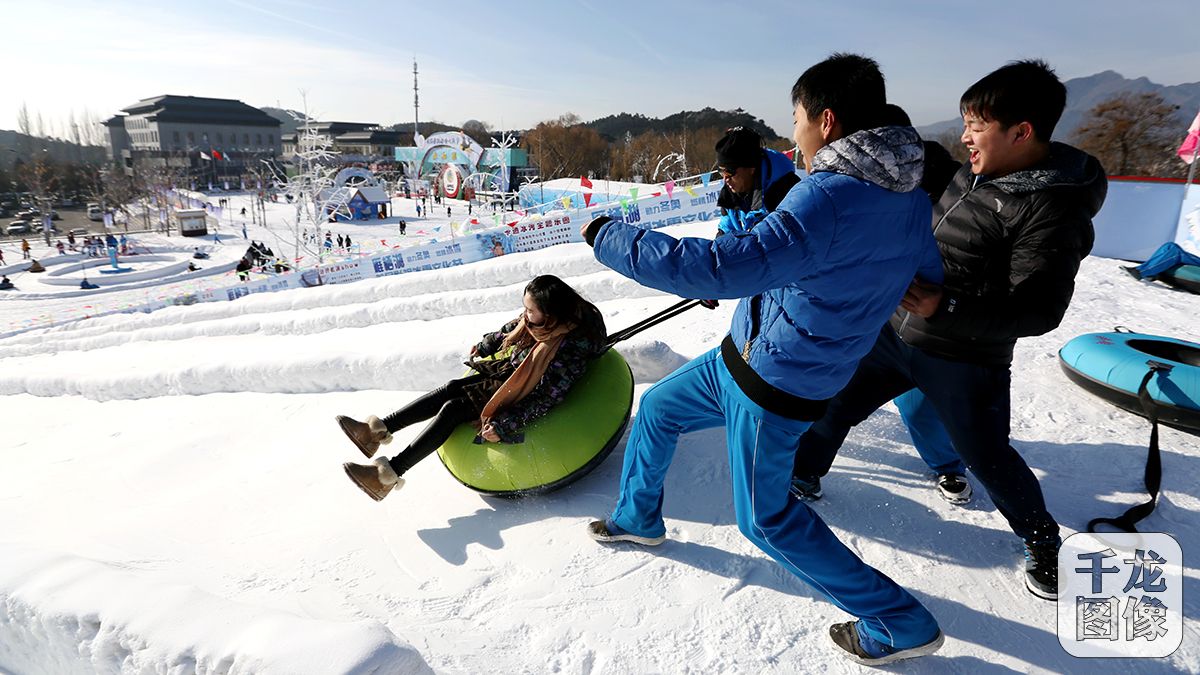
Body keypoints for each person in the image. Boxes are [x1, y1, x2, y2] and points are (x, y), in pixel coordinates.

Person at [580, 53, 944, 664]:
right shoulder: (907, 197)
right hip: (743, 357)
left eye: (796, 118)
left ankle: (897, 619)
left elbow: (725, 268)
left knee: (766, 519)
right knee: (660, 408)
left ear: (826, 121)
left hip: (777, 384)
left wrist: (612, 237)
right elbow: (928, 281)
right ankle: (637, 517)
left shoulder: (828, 197)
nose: (793, 132)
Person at [790, 60, 1107, 601]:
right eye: (964, 122)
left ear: (1021, 132)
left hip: (965, 357)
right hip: (896, 332)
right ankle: (801, 477)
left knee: (987, 456)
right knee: (834, 404)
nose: (964, 136)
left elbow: (1039, 309)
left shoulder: (1052, 210)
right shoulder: (968, 171)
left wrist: (947, 305)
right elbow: (900, 159)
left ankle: (1044, 542)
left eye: (976, 126)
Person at [338, 275, 608, 501]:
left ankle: (387, 476)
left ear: (550, 314)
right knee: (453, 387)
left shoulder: (570, 346)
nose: (525, 315)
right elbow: (514, 327)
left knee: (453, 409)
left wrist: (505, 425)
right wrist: (490, 343)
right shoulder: (544, 318)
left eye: (530, 311)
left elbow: (550, 395)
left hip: (528, 387)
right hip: (514, 369)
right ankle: (376, 430)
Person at [713, 126, 800, 237]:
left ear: (751, 168)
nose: (725, 179)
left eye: (729, 172)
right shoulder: (729, 197)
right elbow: (725, 232)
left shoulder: (787, 190)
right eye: (722, 172)